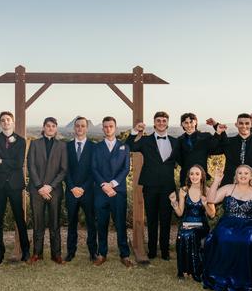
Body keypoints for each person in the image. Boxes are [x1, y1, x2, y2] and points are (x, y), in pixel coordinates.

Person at [127, 111, 180, 260]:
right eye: (158, 120)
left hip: (168, 187)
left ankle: (164, 251)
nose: (161, 123)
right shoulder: (145, 140)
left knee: (165, 220)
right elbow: (129, 146)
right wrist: (135, 131)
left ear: (167, 123)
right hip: (150, 186)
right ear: (154, 123)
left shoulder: (175, 142)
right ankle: (151, 250)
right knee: (151, 220)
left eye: (164, 120)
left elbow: (183, 158)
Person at [202, 165, 252, 291]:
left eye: (246, 173)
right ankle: (220, 276)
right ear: (236, 176)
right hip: (228, 222)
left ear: (251, 176)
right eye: (240, 173)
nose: (243, 175)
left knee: (247, 240)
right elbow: (211, 199)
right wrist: (217, 181)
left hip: (249, 224)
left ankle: (243, 279)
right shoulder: (228, 188)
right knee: (223, 236)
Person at [0, 111, 30, 264]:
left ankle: (26, 251)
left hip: (14, 185)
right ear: (0, 124)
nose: (5, 122)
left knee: (19, 218)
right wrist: (4, 163)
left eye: (8, 120)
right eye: (3, 120)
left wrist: (0, 162)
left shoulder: (21, 141)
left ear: (12, 122)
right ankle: (0, 253)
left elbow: (18, 164)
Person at [91, 116, 132, 267]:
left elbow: (126, 168)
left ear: (115, 128)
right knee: (101, 224)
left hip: (118, 191)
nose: (108, 129)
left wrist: (113, 184)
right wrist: (104, 185)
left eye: (111, 126)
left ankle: (125, 255)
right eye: (105, 126)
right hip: (101, 192)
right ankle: (102, 254)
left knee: (120, 224)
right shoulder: (96, 147)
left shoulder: (124, 147)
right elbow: (93, 168)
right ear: (102, 129)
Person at [27, 117, 68, 264]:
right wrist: (39, 187)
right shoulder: (34, 144)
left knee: (55, 223)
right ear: (43, 127)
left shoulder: (62, 146)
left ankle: (56, 254)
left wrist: (50, 186)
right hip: (36, 190)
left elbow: (64, 170)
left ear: (56, 128)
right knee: (38, 223)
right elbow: (30, 166)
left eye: (53, 126)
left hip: (54, 190)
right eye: (48, 125)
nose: (50, 128)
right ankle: (37, 254)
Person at [170, 165, 215, 281]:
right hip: (186, 222)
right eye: (191, 174)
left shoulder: (208, 190)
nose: (194, 176)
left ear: (202, 176)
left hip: (201, 225)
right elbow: (179, 213)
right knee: (183, 234)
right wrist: (174, 202)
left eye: (197, 174)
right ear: (188, 176)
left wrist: (205, 204)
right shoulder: (183, 190)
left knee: (192, 234)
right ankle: (183, 270)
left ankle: (195, 271)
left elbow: (212, 214)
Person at [64, 116, 97, 262]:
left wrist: (83, 188)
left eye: (83, 126)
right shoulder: (67, 146)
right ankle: (71, 252)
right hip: (71, 192)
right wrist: (72, 187)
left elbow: (94, 171)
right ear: (74, 128)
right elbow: (65, 170)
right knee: (71, 223)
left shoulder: (93, 147)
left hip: (88, 192)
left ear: (87, 128)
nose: (80, 128)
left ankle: (92, 252)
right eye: (77, 126)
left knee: (91, 223)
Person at [207, 113, 252, 189]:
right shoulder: (229, 142)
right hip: (229, 184)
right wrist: (218, 133)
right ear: (236, 124)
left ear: (251, 125)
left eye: (247, 123)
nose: (244, 126)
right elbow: (211, 150)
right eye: (241, 123)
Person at [176, 112, 224, 186]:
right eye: (186, 123)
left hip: (202, 176)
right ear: (182, 124)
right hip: (185, 178)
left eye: (191, 122)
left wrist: (217, 131)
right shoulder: (179, 140)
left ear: (196, 122)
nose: (189, 125)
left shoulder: (205, 136)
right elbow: (179, 159)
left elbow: (214, 147)